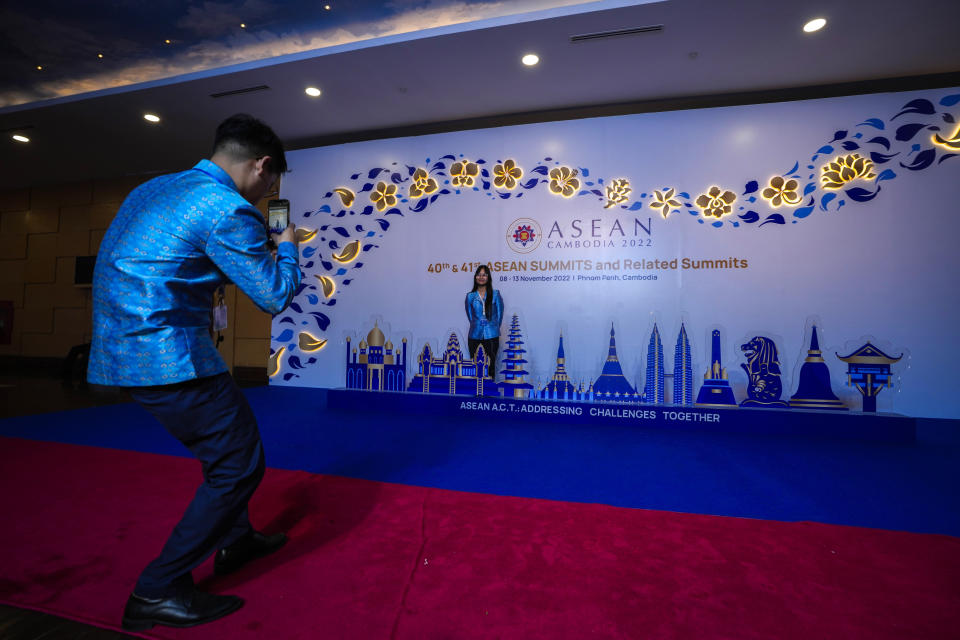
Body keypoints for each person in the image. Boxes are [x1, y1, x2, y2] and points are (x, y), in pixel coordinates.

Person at [87, 114, 301, 631]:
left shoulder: (153, 188)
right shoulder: (228, 209)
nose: (265, 195)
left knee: (223, 452)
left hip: (124, 350)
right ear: (261, 166)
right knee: (238, 465)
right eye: (269, 184)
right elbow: (273, 294)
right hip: (170, 355)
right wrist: (289, 243)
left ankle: (236, 539)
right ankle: (157, 590)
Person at [464, 264, 504, 376]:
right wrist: (478, 326)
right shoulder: (470, 296)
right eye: (479, 274)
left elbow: (500, 317)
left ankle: (489, 391)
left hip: (492, 335)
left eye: (484, 275)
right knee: (475, 365)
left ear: (488, 277)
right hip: (474, 335)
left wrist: (491, 327)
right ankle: (476, 391)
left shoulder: (496, 294)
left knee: (491, 365)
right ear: (475, 277)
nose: (481, 277)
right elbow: (470, 317)